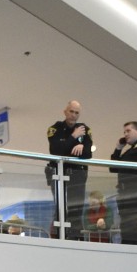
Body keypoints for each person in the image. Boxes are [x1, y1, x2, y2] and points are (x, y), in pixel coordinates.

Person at [47, 100, 93, 240]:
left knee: (77, 207)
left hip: (78, 174)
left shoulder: (84, 129)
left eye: (76, 112)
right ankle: (60, 237)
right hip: (59, 173)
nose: (73, 115)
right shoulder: (55, 128)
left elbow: (88, 154)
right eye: (71, 111)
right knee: (60, 206)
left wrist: (81, 147)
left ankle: (75, 238)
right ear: (65, 111)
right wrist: (74, 137)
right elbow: (56, 150)